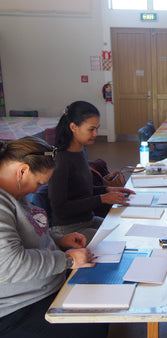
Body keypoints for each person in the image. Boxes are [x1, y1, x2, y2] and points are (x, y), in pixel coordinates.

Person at [0, 136, 109, 338]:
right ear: (22, 171)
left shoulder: (13, 193)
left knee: (101, 277)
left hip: (38, 289)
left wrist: (59, 239)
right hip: (11, 314)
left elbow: (29, 230)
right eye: (39, 183)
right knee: (94, 327)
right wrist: (68, 260)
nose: (37, 189)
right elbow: (10, 264)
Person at [49, 101, 134, 243]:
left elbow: (81, 191)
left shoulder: (80, 150)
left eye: (97, 128)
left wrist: (107, 189)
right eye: (91, 129)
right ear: (73, 127)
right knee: (118, 241)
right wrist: (102, 199)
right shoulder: (61, 161)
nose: (96, 133)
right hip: (69, 229)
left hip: (88, 220)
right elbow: (60, 208)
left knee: (126, 229)